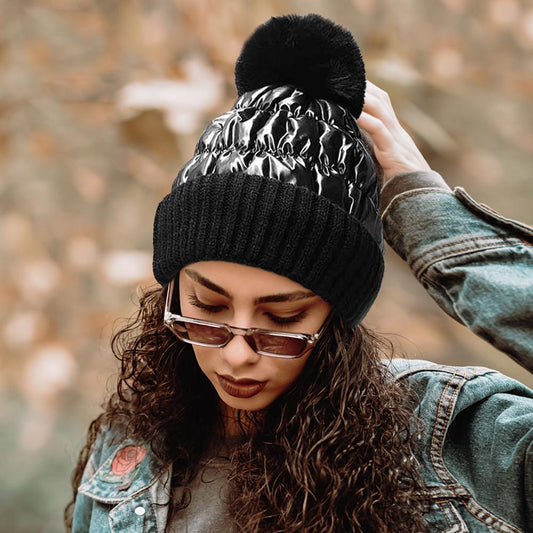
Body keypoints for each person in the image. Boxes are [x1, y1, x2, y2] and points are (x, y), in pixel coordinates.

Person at [65, 14, 533, 533]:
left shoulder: (451, 440)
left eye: (283, 317)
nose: (237, 354)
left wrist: (426, 216)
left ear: (337, 314)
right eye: (207, 308)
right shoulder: (131, 446)